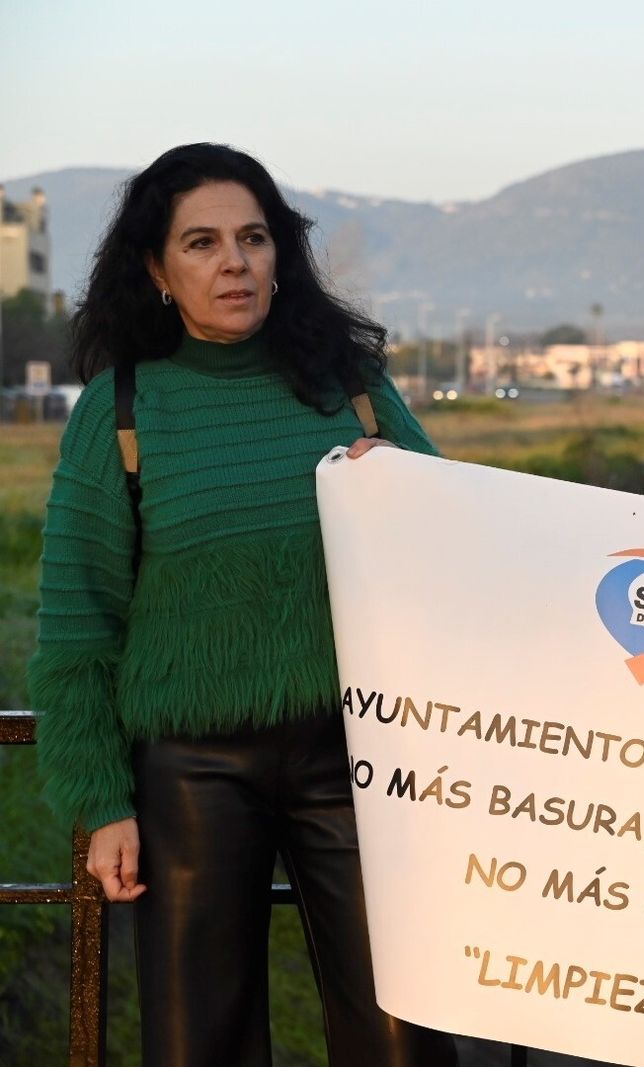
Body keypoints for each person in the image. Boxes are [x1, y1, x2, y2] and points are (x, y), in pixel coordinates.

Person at [28, 143, 457, 1066]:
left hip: (358, 755)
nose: (234, 261)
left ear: (280, 255)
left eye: (254, 238)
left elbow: (459, 545)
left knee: (406, 1034)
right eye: (203, 242)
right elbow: (76, 631)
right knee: (199, 1043)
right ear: (157, 270)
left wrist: (408, 490)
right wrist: (100, 800)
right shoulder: (122, 411)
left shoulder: (353, 389)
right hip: (190, 775)